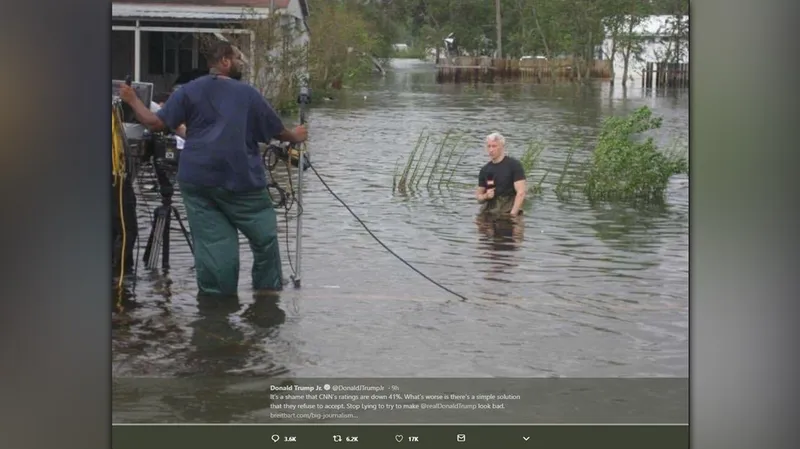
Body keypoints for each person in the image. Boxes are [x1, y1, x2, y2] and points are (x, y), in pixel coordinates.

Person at [118, 41, 308, 297]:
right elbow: (277, 131)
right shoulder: (248, 94)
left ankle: (216, 310)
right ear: (226, 61)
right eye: (239, 58)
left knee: (215, 247)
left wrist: (131, 99)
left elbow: (154, 122)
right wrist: (296, 136)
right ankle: (266, 298)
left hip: (198, 183)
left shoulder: (188, 91)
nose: (242, 63)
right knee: (264, 237)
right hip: (241, 183)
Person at [475, 132, 527, 217]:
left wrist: (512, 215)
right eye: (489, 146)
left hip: (508, 211)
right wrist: (485, 196)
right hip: (489, 211)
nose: (491, 149)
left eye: (494, 146)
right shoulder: (485, 170)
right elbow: (478, 198)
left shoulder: (514, 165)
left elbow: (521, 193)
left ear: (502, 147)